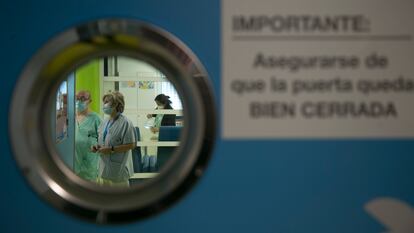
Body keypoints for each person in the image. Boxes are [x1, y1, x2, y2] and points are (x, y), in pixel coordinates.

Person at [92, 91, 136, 186]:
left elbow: (132, 145)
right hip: (103, 169)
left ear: (116, 104)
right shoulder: (104, 122)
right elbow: (103, 140)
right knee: (104, 199)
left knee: (120, 200)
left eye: (107, 102)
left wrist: (111, 149)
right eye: (104, 102)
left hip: (118, 170)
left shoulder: (126, 123)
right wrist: (97, 147)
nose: (104, 105)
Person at [74, 91, 101, 182]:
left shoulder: (96, 118)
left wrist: (97, 145)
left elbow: (103, 139)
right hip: (73, 162)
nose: (78, 101)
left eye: (82, 99)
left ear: (90, 101)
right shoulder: (70, 117)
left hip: (89, 164)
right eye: (77, 98)